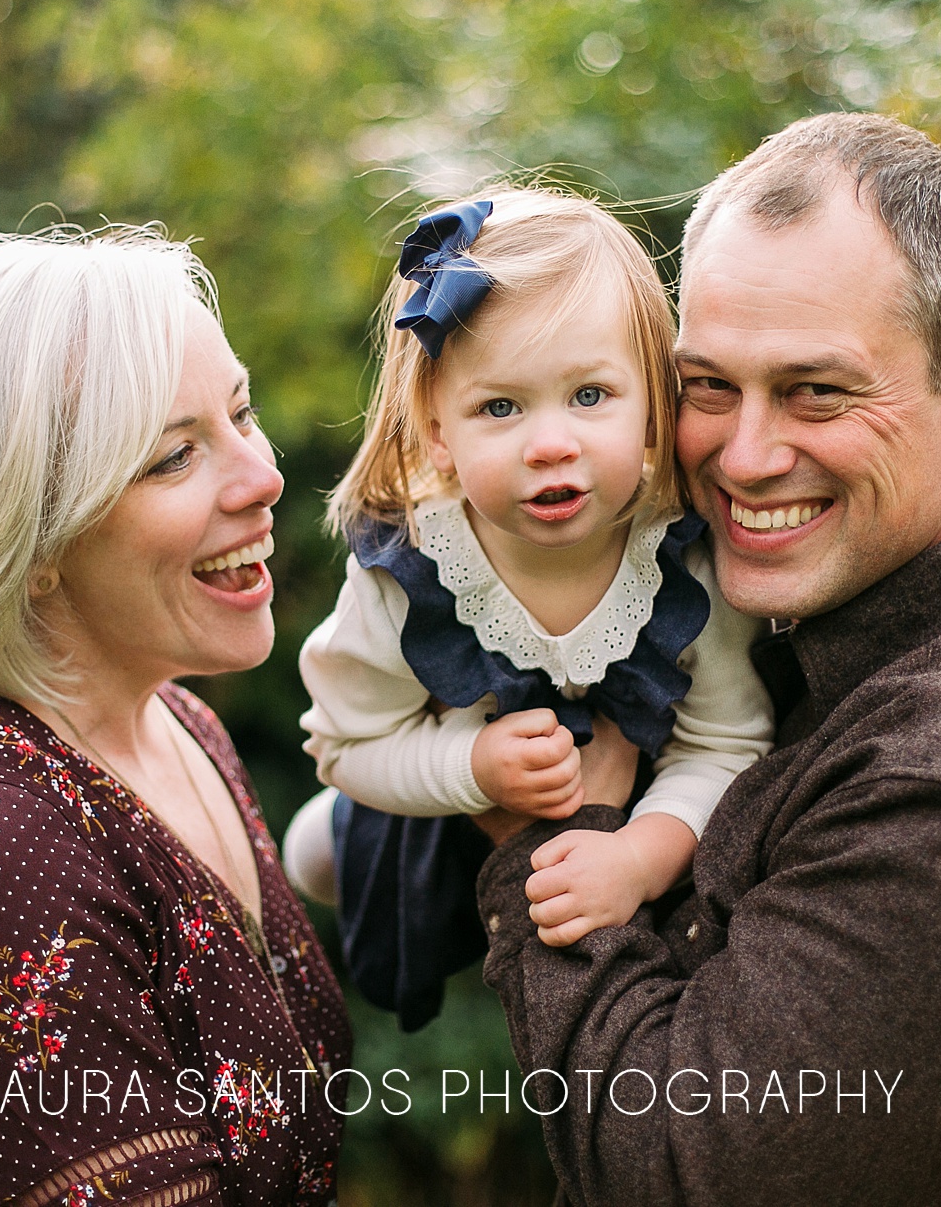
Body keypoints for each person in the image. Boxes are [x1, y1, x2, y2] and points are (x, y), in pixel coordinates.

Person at [472, 115, 941, 1205]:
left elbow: (690, 1173)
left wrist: (549, 844)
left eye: (814, 391)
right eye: (706, 387)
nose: (741, 457)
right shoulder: (801, 622)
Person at [0, 229, 351, 1207]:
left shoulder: (182, 726)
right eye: (174, 457)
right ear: (25, 537)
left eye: (242, 414)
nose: (261, 476)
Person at [284, 189, 773, 1031]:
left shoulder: (686, 560)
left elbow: (726, 742)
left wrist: (637, 855)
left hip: (625, 820)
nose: (551, 442)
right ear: (438, 431)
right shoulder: (407, 575)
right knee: (317, 856)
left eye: (590, 396)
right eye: (500, 407)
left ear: (656, 400)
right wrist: (470, 766)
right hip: (433, 801)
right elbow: (344, 741)